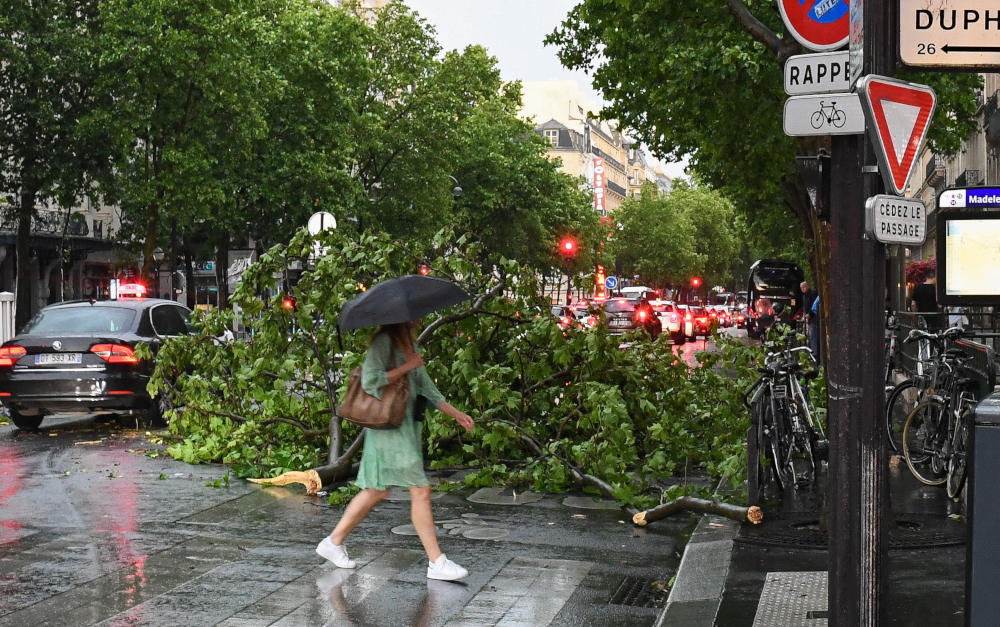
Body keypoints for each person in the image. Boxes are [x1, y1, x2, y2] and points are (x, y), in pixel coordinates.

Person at [317, 320, 475, 581]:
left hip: (405, 429)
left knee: (376, 491)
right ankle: (437, 561)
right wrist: (406, 367)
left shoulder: (409, 343)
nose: (419, 319)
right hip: (389, 431)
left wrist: (456, 414)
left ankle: (333, 542)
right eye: (414, 316)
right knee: (420, 489)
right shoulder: (384, 343)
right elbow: (370, 381)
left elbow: (426, 387)